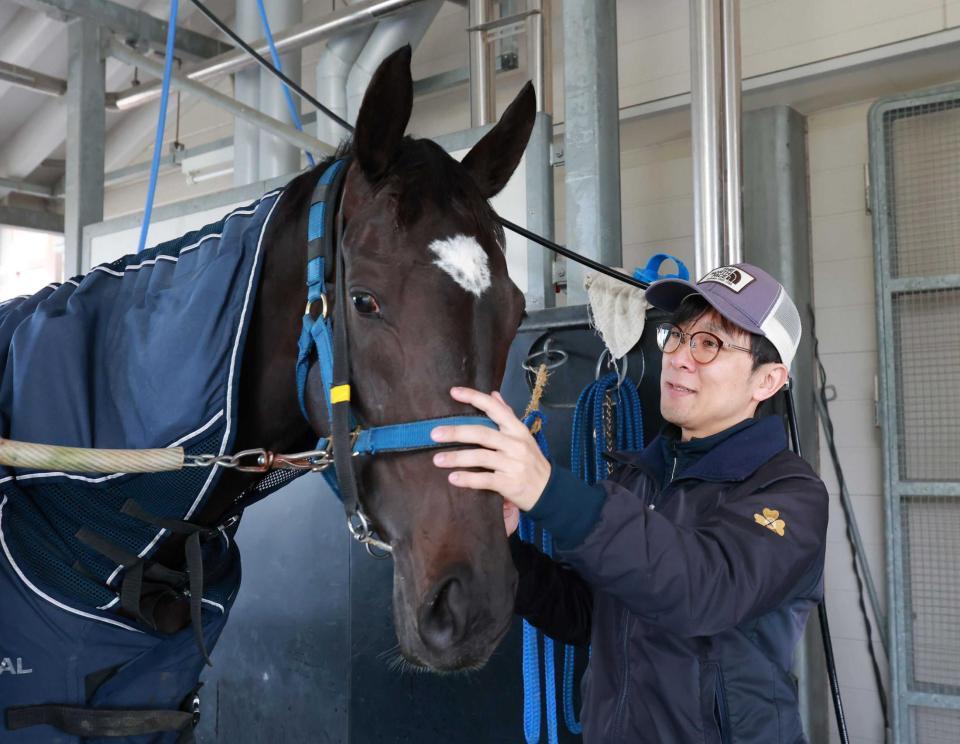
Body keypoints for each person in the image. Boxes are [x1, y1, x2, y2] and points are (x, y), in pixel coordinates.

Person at [430, 262, 828, 744]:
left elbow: (700, 590)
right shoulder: (640, 475)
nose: (680, 358)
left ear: (767, 381)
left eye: (710, 344)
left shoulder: (790, 495)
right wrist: (508, 547)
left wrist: (548, 490)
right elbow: (592, 616)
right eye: (677, 337)